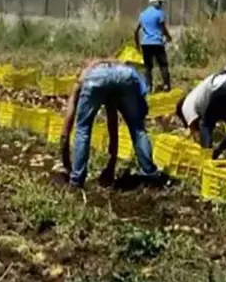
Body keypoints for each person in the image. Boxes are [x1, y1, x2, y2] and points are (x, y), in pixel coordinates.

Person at [61, 59, 159, 188]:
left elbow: (67, 128)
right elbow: (112, 124)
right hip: (126, 75)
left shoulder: (82, 79)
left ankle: (76, 180)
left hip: (97, 79)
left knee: (82, 129)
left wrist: (66, 160)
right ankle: (150, 174)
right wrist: (111, 165)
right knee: (137, 127)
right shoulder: (109, 65)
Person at [134, 0, 173, 92]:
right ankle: (166, 86)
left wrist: (137, 44)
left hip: (145, 44)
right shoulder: (159, 13)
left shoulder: (143, 14)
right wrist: (168, 37)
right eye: (160, 2)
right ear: (155, 2)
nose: (161, 5)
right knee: (163, 65)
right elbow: (163, 27)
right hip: (157, 43)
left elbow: (136, 30)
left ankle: (149, 87)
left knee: (148, 67)